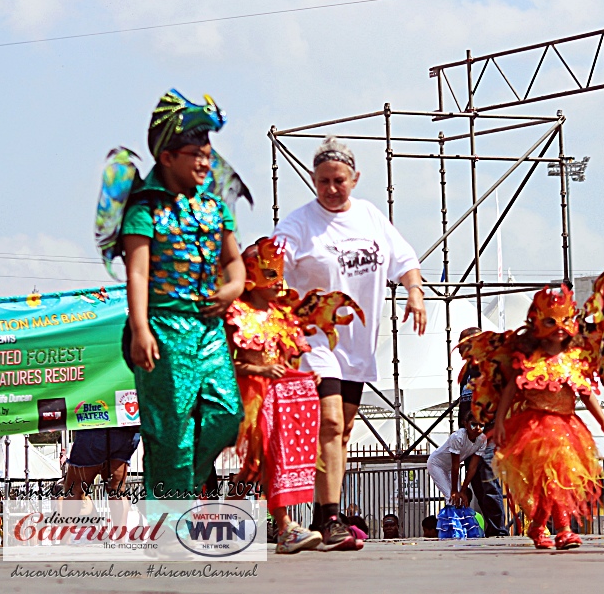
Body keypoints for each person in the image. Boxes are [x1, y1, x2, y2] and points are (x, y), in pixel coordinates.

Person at [274, 136, 426, 551]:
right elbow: (271, 265)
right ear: (313, 180)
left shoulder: (371, 217)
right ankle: (332, 520)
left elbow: (406, 260)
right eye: (322, 181)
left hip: (357, 347)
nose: (331, 188)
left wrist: (414, 291)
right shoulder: (299, 224)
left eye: (338, 180)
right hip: (314, 340)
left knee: (339, 437)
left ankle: (319, 518)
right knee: (331, 423)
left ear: (354, 179)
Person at [121, 89, 245, 500]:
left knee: (227, 415)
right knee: (170, 428)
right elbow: (137, 273)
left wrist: (232, 288)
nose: (204, 161)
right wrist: (140, 328)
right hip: (163, 328)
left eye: (208, 153)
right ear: (167, 157)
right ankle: (170, 519)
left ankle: (176, 491)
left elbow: (234, 262)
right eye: (194, 152)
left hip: (208, 329)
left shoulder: (215, 207)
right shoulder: (144, 209)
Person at [226, 236, 363, 554]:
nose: (279, 281)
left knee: (271, 463)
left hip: (282, 403)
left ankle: (278, 526)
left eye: (281, 273)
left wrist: (304, 376)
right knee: (256, 466)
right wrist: (258, 372)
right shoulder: (236, 314)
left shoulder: (283, 317)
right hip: (251, 402)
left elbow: (288, 360)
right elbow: (227, 361)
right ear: (250, 277)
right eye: (270, 273)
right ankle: (255, 522)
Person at [459, 285, 604, 550]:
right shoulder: (530, 359)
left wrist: (603, 421)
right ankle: (561, 529)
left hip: (567, 427)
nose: (558, 328)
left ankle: (542, 525)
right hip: (535, 428)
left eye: (564, 321)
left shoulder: (573, 359)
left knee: (561, 479)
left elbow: (585, 392)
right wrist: (498, 423)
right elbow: (510, 389)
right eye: (550, 321)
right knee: (548, 479)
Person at [457, 327, 508, 537]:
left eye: (464, 345)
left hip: (487, 434)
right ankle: (490, 528)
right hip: (470, 436)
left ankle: (498, 531)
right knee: (476, 482)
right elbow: (465, 404)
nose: (460, 351)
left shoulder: (489, 368)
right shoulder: (466, 372)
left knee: (488, 481)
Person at [62, 427, 140, 530]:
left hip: (95, 426)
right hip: (127, 429)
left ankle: (65, 541)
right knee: (117, 490)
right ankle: (120, 541)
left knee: (74, 488)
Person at [427, 420, 487, 505]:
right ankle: (451, 518)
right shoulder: (458, 437)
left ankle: (460, 517)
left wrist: (463, 490)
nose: (477, 428)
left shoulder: (482, 440)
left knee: (460, 499)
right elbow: (455, 466)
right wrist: (454, 490)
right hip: (437, 464)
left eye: (481, 426)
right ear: (466, 424)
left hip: (450, 467)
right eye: (473, 424)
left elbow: (472, 468)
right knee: (451, 497)